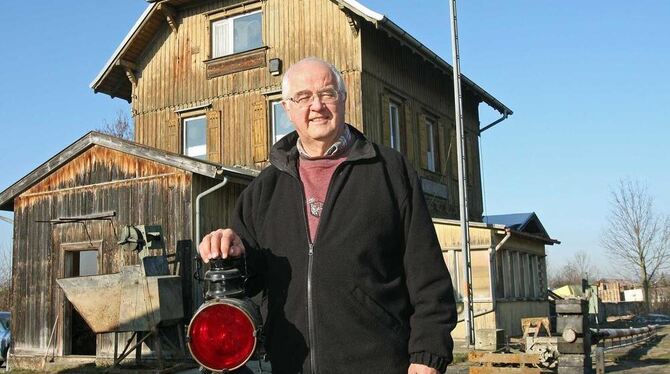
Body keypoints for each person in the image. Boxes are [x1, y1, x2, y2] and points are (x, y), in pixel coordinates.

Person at [199, 57, 456, 374]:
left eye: (327, 94)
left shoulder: (389, 171)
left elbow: (428, 278)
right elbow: (250, 284)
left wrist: (427, 355)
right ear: (287, 109)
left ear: (344, 99)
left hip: (382, 364)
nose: (317, 106)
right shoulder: (263, 190)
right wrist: (229, 252)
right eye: (303, 97)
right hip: (291, 366)